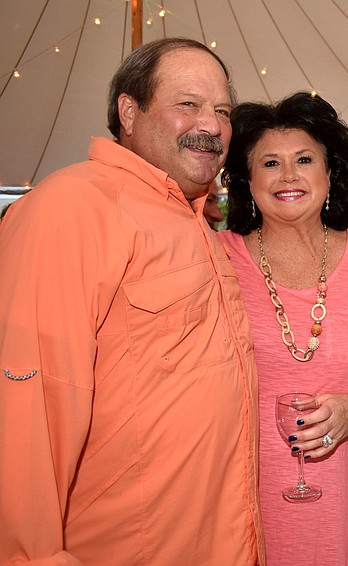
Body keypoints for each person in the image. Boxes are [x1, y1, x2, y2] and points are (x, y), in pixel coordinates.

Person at [0, 38, 264, 564]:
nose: (211, 125)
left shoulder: (196, 223)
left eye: (222, 111)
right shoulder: (70, 207)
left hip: (216, 540)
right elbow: (27, 409)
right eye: (188, 103)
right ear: (128, 111)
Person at [217, 92, 348, 565]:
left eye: (305, 159)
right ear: (247, 180)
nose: (288, 175)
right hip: (238, 498)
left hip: (340, 500)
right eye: (270, 162)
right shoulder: (217, 257)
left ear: (330, 173)